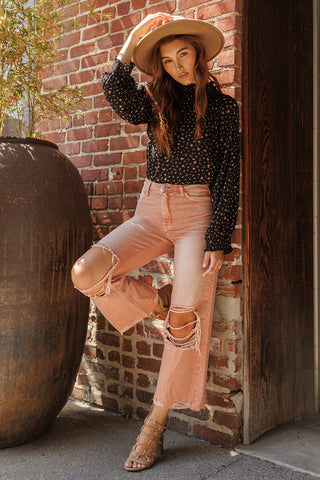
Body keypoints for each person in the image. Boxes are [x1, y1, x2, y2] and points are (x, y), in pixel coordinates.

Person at [71, 12, 240, 472]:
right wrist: (130, 42)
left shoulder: (224, 110)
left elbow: (228, 176)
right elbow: (114, 91)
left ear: (199, 54)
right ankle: (157, 305)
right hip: (150, 209)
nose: (178, 66)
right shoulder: (153, 102)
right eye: (166, 60)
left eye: (183, 54)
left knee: (186, 324)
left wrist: (217, 238)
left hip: (196, 214)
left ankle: (155, 424)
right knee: (85, 271)